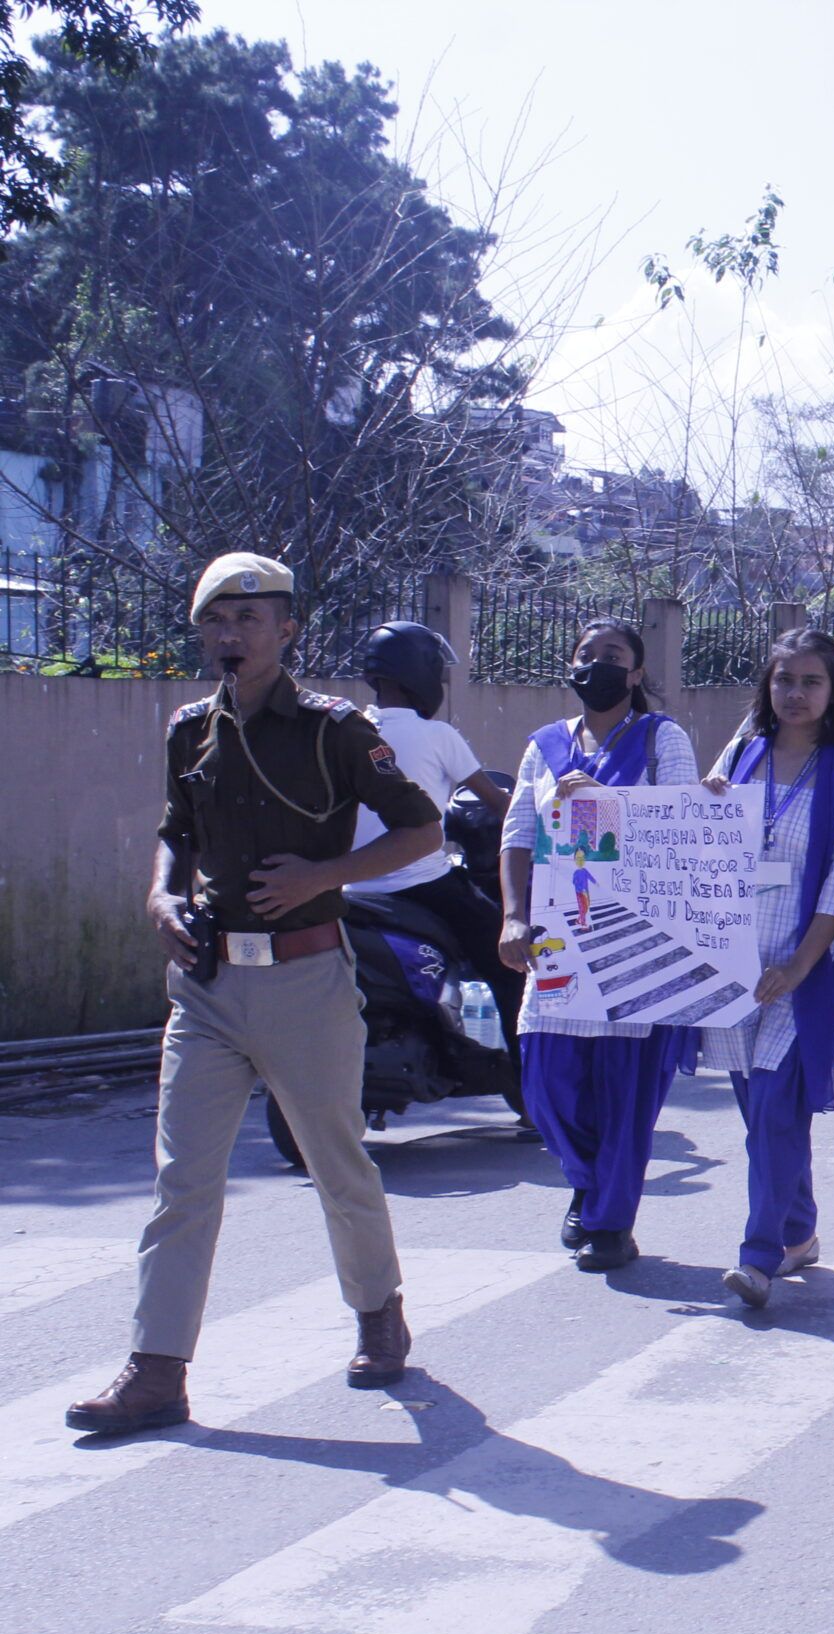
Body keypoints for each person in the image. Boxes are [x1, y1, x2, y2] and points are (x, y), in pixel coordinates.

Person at [67, 554, 443, 1435]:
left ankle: (378, 1311)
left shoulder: (334, 732)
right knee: (182, 1179)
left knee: (335, 1162)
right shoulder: (190, 727)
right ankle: (158, 1368)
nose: (230, 637)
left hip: (306, 979)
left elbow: (420, 827)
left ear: (287, 630)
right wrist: (162, 894)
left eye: (249, 620)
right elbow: (174, 831)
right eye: (216, 623)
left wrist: (329, 872)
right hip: (206, 987)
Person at [495, 617, 698, 1274]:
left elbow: (683, 824)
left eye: (613, 655)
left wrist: (606, 802)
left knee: (624, 1088)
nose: (598, 664)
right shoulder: (545, 748)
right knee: (547, 1082)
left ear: (636, 672)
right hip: (557, 937)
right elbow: (518, 834)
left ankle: (611, 1221)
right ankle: (586, 1181)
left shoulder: (662, 740)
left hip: (635, 939)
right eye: (587, 654)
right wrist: (512, 915)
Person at [700, 631, 834, 1308]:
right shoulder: (741, 755)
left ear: (832, 692)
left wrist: (801, 966)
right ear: (766, 687)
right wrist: (707, 798)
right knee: (760, 1115)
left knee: (777, 1108)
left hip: (798, 973)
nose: (795, 694)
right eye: (784, 680)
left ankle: (759, 1255)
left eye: (810, 681)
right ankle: (799, 1228)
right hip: (732, 968)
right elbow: (702, 846)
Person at [345, 620, 523, 1054]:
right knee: (507, 963)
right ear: (422, 673)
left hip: (349, 885)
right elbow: (499, 804)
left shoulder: (345, 729)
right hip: (421, 884)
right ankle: (528, 1085)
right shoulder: (438, 735)